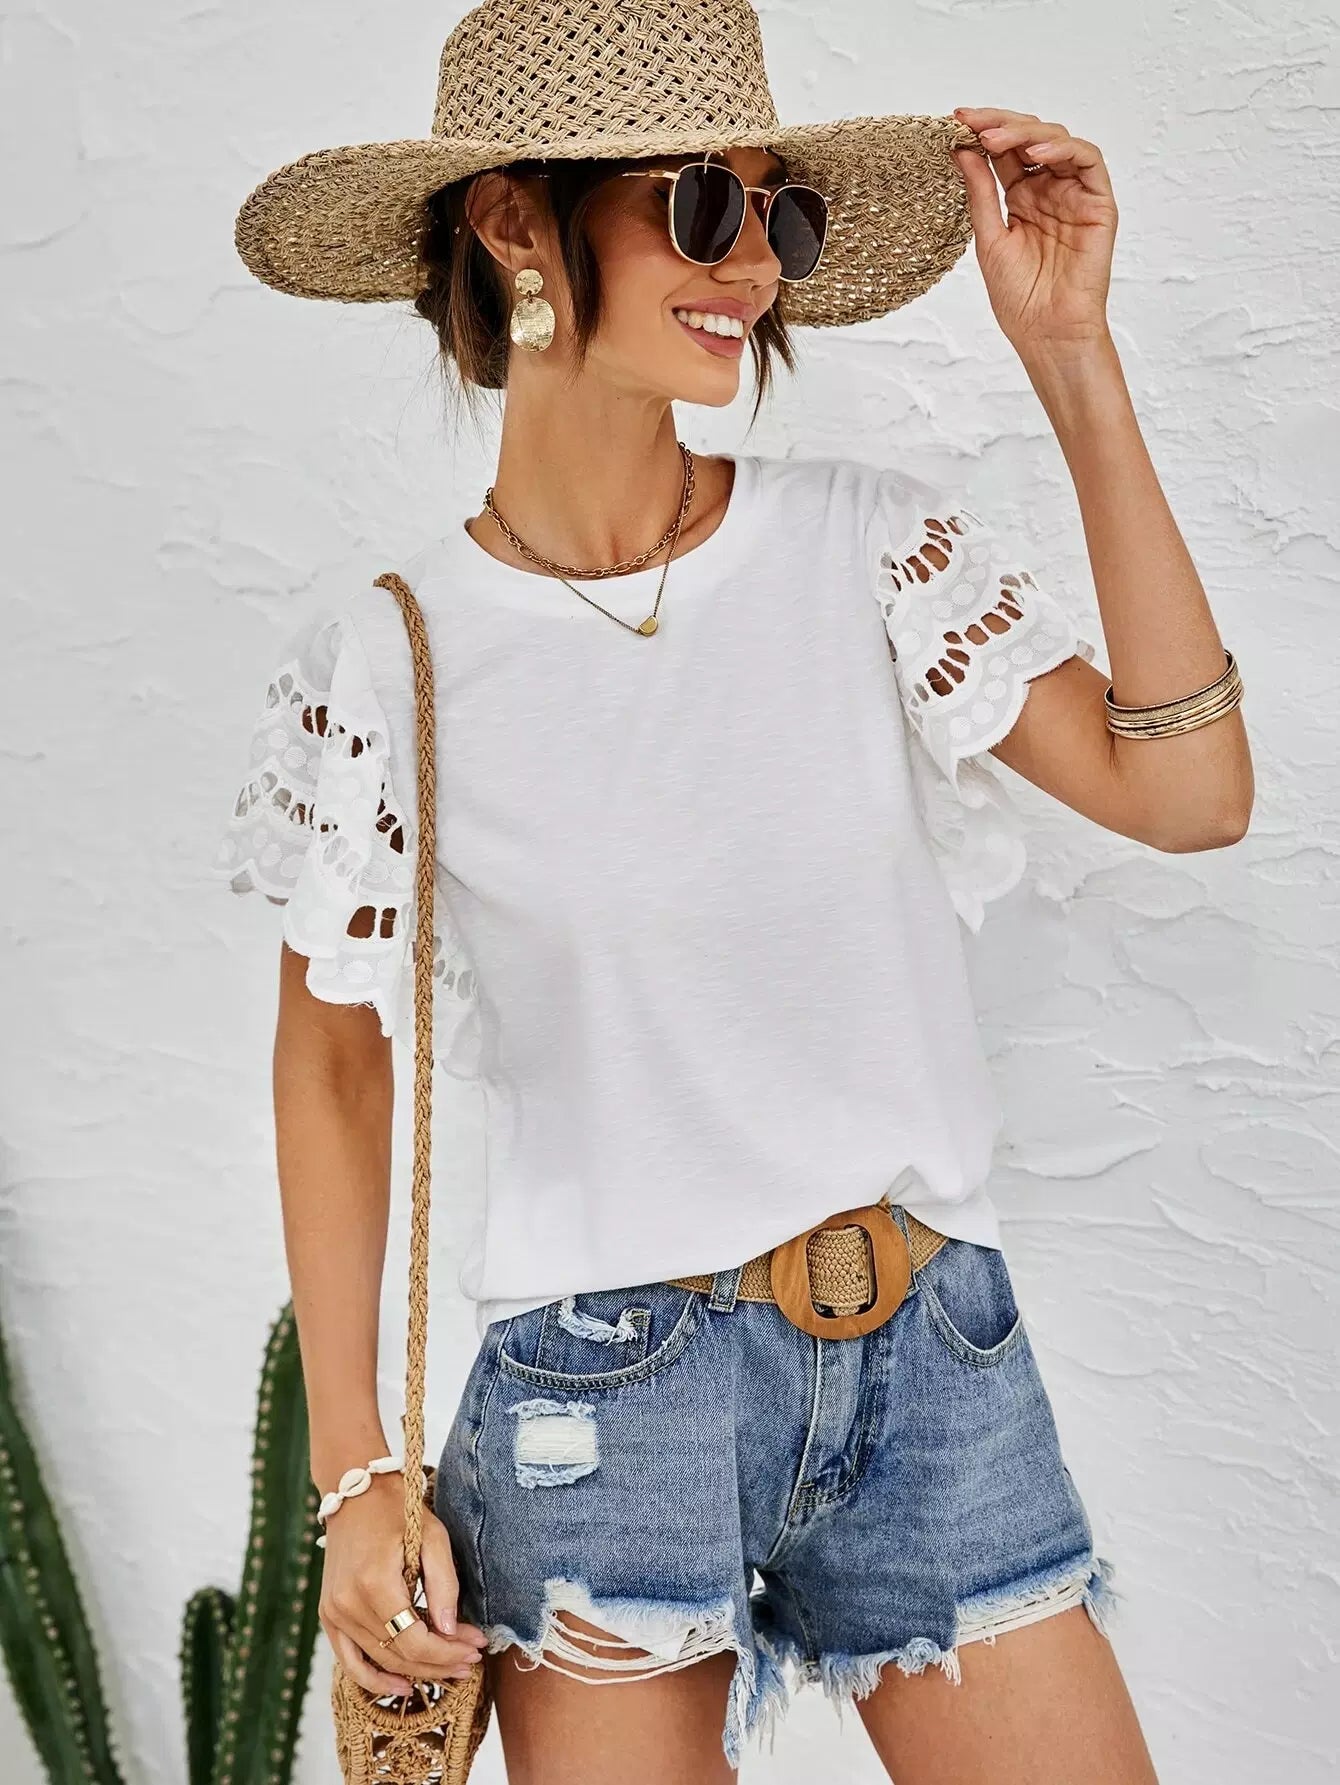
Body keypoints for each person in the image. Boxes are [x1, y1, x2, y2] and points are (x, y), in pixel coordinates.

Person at [212, 1, 1252, 1778]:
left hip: (932, 1357)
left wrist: (1073, 357)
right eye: (702, 205)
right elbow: (332, 1063)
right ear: (514, 223)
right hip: (602, 1411)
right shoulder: (390, 656)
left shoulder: (864, 547)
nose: (755, 265)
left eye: (783, 214)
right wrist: (355, 1471)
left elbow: (1191, 792)